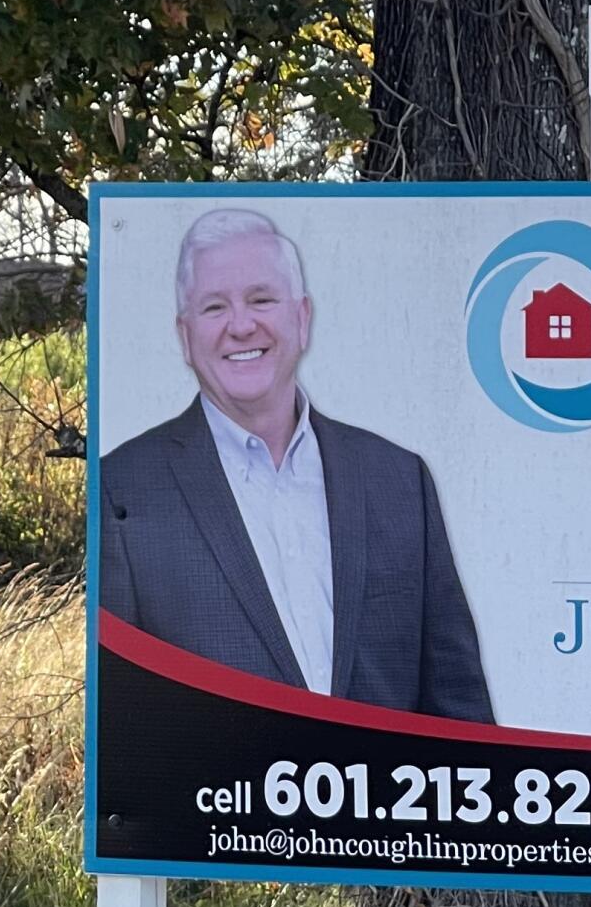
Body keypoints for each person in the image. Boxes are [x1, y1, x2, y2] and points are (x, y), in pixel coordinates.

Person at [101, 207, 494, 722]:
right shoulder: (122, 489)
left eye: (261, 299)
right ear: (184, 335)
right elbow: (122, 723)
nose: (241, 325)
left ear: (302, 318)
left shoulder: (400, 481)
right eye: (215, 307)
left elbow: (460, 717)